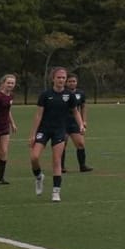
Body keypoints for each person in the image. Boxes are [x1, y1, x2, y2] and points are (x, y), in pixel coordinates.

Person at [27, 67, 82, 202]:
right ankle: (39, 176)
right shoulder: (45, 95)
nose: (61, 80)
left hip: (59, 130)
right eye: (59, 77)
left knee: (56, 161)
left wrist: (81, 124)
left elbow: (75, 111)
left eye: (63, 78)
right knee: (34, 157)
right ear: (53, 79)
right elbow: (38, 115)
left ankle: (56, 192)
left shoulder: (69, 95)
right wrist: (33, 134)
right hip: (44, 130)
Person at [65, 75, 93, 172]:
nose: (72, 83)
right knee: (62, 144)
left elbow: (83, 107)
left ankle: (82, 166)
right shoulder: (62, 93)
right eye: (69, 81)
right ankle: (61, 167)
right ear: (66, 82)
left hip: (75, 122)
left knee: (80, 143)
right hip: (63, 122)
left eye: (74, 81)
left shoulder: (80, 93)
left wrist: (84, 121)